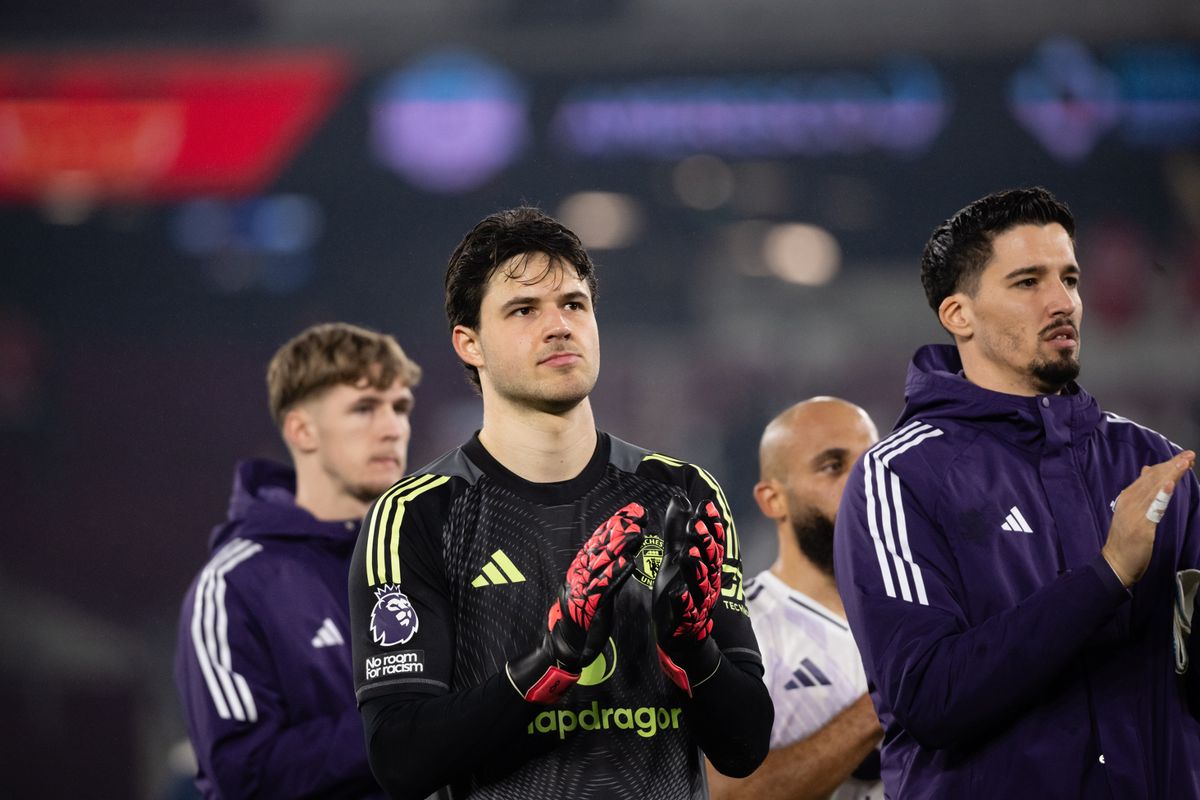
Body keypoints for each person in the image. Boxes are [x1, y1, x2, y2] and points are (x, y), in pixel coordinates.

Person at [348, 207, 773, 800]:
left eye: (574, 304)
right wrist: (554, 658)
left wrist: (691, 649)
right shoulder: (417, 515)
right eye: (524, 310)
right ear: (469, 343)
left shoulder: (683, 496)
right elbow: (400, 756)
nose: (559, 326)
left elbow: (747, 745)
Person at [833, 186, 1200, 798]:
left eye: (1071, 279)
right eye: (1028, 282)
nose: (1063, 302)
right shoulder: (900, 475)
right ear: (959, 315)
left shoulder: (1152, 462)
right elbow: (929, 696)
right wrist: (1106, 576)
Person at [175, 322, 422, 799]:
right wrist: (404, 726)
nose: (393, 428)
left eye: (401, 407)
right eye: (365, 408)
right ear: (302, 429)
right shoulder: (234, 587)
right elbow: (244, 773)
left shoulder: (428, 560)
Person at [708, 397, 884, 800]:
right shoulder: (739, 630)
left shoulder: (928, 607)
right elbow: (721, 793)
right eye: (833, 466)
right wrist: (886, 702)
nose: (863, 480)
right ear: (773, 500)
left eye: (872, 460)